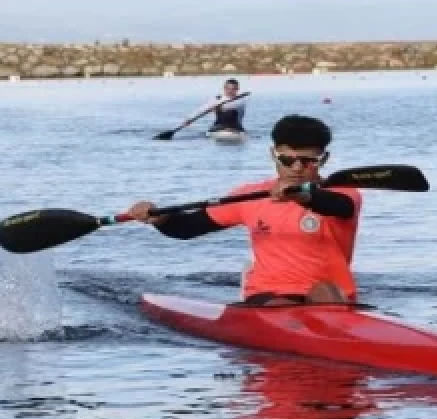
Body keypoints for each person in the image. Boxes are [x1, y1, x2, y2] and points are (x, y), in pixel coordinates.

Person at [126, 115, 360, 305]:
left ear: (324, 159)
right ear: (273, 155)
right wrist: (161, 218)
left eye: (308, 161)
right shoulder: (250, 196)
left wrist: (304, 197)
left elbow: (338, 206)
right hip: (270, 294)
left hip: (333, 296)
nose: (297, 168)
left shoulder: (343, 193)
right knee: (281, 306)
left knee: (326, 292)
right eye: (288, 160)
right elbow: (187, 228)